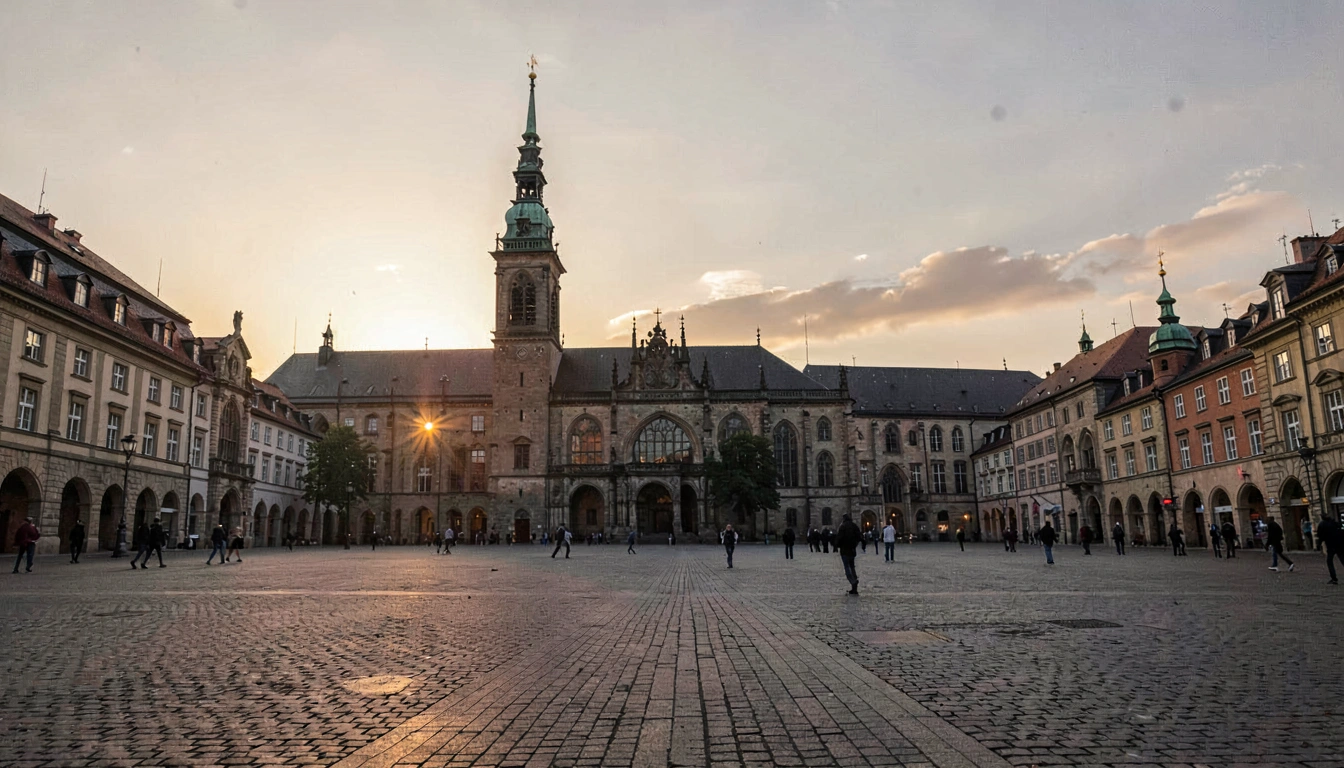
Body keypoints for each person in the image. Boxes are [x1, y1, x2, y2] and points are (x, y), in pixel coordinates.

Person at [835, 513, 862, 595]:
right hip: (852, 550)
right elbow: (859, 536)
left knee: (847, 567)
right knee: (852, 567)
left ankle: (853, 581)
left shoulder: (842, 526)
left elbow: (839, 537)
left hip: (844, 550)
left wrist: (837, 545)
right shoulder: (854, 526)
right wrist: (855, 544)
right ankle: (854, 587)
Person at [1318, 513, 1342, 585]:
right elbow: (1340, 528)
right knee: (1342, 560)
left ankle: (1334, 578)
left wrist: (1319, 545)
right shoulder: (1333, 522)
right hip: (1339, 544)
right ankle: (1334, 578)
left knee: (1329, 561)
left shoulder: (1322, 525)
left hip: (1330, 545)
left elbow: (1320, 536)